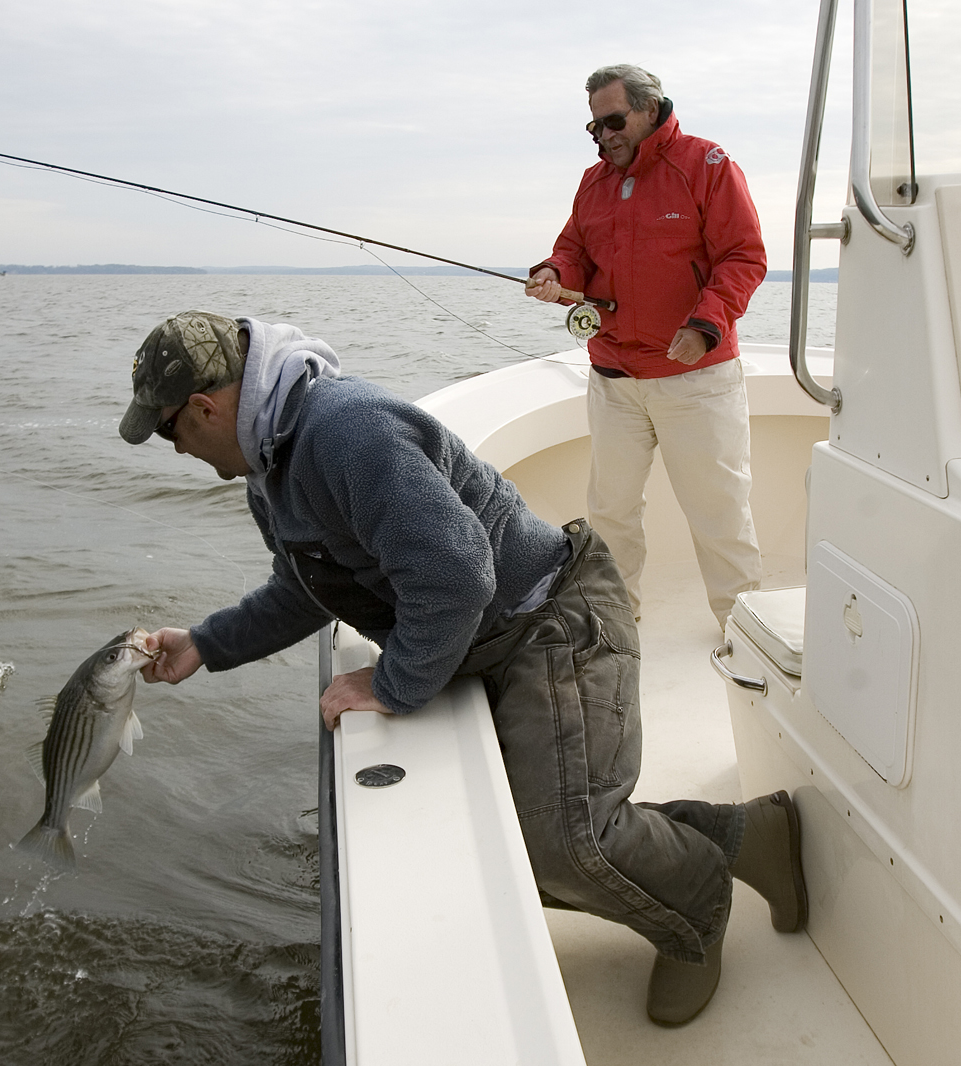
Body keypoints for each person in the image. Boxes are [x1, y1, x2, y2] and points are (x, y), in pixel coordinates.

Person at [117, 309, 807, 1025]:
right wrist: (206, 643)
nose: (175, 449)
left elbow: (457, 573)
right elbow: (303, 590)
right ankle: (746, 837)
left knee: (559, 844)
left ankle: (698, 907)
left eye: (168, 431)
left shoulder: (345, 430)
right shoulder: (272, 470)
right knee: (509, 837)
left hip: (552, 617)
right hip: (486, 639)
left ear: (204, 408)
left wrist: (393, 683)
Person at [525, 64, 766, 628]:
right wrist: (554, 273)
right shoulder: (593, 182)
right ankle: (614, 627)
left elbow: (743, 257)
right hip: (614, 378)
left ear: (650, 108)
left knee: (719, 511)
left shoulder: (708, 165)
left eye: (614, 121)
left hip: (696, 379)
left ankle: (743, 632)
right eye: (594, 127)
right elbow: (574, 250)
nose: (604, 135)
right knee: (610, 513)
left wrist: (705, 325)